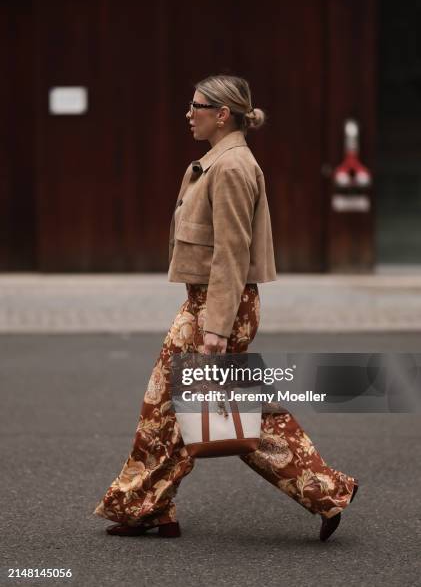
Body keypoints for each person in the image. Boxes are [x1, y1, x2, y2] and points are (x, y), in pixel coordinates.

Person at [93, 74, 358, 542]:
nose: (187, 113)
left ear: (222, 115)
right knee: (215, 409)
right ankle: (151, 506)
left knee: (180, 409)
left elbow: (232, 254)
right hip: (208, 304)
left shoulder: (232, 167)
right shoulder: (219, 162)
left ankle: (146, 506)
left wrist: (215, 326)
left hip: (217, 308)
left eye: (197, 106)